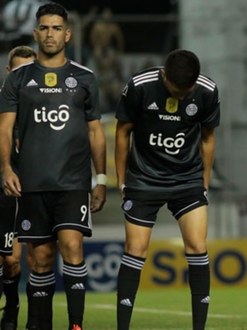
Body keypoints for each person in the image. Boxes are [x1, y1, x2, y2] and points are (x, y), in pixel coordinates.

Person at [0, 3, 107, 330]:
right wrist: (6, 168)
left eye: (56, 28)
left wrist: (100, 178)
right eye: (44, 28)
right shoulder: (18, 79)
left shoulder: (85, 78)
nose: (50, 34)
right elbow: (5, 129)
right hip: (32, 183)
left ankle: (76, 325)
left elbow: (95, 131)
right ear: (36, 33)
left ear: (67, 33)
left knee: (73, 246)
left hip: (73, 182)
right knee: (40, 259)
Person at [115, 49, 220, 330]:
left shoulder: (207, 90)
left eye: (188, 90)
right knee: (135, 249)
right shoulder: (140, 86)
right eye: (177, 90)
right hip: (143, 178)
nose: (183, 96)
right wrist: (121, 180)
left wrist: (204, 182)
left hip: (187, 180)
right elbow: (123, 131)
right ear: (164, 76)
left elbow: (208, 138)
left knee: (198, 246)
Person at [0, 44, 36, 330]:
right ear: (8, 72)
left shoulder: (45, 105)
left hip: (29, 189)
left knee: (12, 261)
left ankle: (12, 307)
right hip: (2, 187)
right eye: (18, 71)